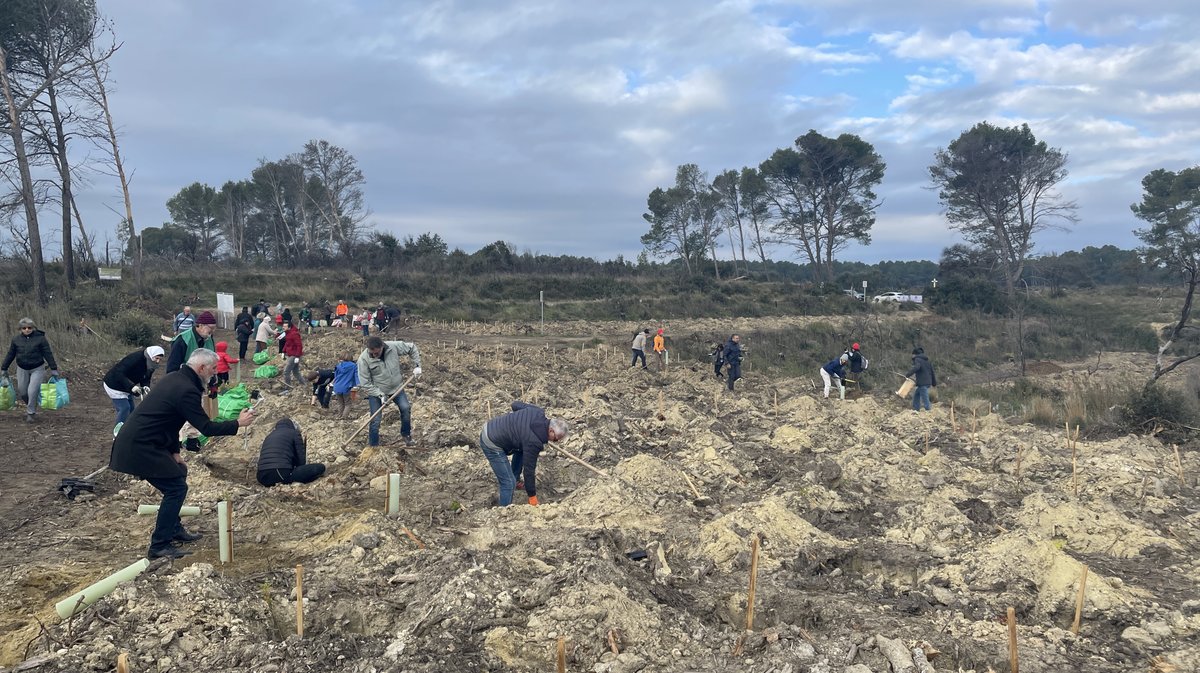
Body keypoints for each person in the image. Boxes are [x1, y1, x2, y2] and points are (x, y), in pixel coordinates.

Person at [109, 349, 258, 559]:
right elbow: (206, 427)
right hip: (138, 447)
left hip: (147, 442)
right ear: (201, 368)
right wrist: (238, 423)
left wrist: (174, 452)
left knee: (178, 472)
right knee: (176, 489)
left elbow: (170, 421)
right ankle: (159, 545)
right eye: (213, 368)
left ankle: (173, 528)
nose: (215, 373)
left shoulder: (176, 379)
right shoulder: (186, 389)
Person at [479, 400, 568, 506]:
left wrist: (519, 421)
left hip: (492, 426)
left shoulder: (538, 412)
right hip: (491, 441)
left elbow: (515, 405)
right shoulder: (533, 442)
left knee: (522, 450)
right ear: (551, 431)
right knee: (508, 482)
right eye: (556, 439)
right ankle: (503, 512)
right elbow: (529, 470)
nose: (555, 442)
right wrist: (532, 496)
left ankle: (516, 480)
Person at [357, 336, 421, 447]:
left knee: (405, 408)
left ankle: (406, 435)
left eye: (377, 353)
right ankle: (373, 446)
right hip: (377, 392)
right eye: (372, 353)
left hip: (397, 388)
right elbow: (365, 383)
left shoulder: (392, 347)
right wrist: (380, 394)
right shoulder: (363, 359)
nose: (374, 355)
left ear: (382, 347)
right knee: (375, 419)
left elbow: (412, 347)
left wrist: (417, 365)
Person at [3, 317, 60, 423]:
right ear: (20, 329)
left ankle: (30, 413)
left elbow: (47, 353)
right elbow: (11, 354)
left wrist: (53, 368)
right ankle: (33, 403)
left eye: (29, 327)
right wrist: (4, 368)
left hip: (37, 368)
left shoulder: (40, 339)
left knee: (32, 391)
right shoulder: (16, 340)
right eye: (24, 328)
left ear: (33, 328)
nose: (27, 330)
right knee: (23, 392)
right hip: (22, 368)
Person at [103, 346, 164, 427]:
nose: (157, 361)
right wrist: (131, 386)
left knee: (132, 410)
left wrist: (146, 386)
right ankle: (118, 432)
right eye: (156, 358)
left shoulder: (151, 364)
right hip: (114, 384)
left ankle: (128, 430)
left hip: (126, 387)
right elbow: (118, 372)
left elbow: (146, 377)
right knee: (124, 408)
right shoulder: (135, 358)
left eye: (159, 359)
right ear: (151, 355)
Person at [256, 418, 325, 487]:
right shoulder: (294, 433)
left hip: (261, 477)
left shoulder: (269, 436)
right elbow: (301, 460)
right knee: (320, 467)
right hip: (279, 473)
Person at [907, 347, 937, 412]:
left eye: (912, 354)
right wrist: (934, 383)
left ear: (915, 354)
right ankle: (916, 409)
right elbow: (932, 372)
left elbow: (916, 367)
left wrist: (908, 374)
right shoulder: (927, 361)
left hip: (923, 382)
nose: (912, 356)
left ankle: (928, 410)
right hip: (928, 381)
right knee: (917, 394)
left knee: (925, 397)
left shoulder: (917, 359)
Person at [332, 351, 358, 419]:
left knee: (340, 403)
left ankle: (339, 415)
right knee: (348, 403)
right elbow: (356, 376)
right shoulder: (354, 366)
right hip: (346, 387)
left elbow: (335, 376)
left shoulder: (338, 366)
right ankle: (344, 417)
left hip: (337, 386)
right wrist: (357, 384)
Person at [282, 322, 304, 386]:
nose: (283, 327)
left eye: (285, 326)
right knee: (295, 372)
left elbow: (299, 345)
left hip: (294, 355)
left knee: (286, 372)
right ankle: (304, 384)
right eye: (283, 326)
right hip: (291, 354)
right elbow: (287, 343)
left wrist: (297, 356)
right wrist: (283, 351)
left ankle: (288, 386)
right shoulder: (287, 334)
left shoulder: (294, 334)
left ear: (289, 327)